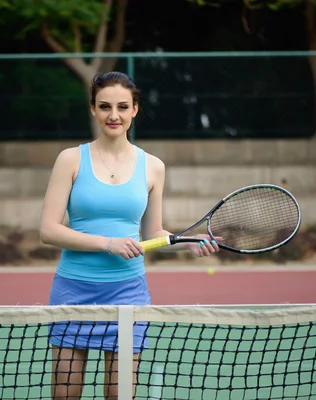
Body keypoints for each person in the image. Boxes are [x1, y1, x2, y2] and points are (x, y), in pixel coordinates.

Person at [38, 71, 220, 400]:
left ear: (135, 109)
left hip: (128, 295)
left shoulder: (153, 167)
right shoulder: (70, 159)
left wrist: (187, 246)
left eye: (123, 106)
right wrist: (108, 244)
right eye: (105, 106)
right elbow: (49, 231)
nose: (114, 115)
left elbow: (153, 234)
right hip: (73, 291)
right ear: (93, 109)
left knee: (119, 395)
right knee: (65, 395)